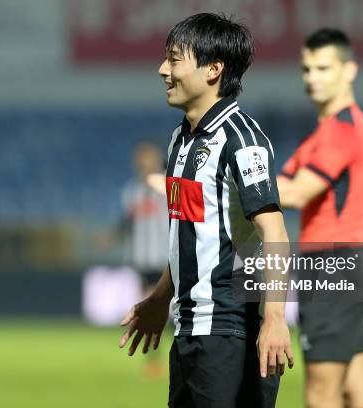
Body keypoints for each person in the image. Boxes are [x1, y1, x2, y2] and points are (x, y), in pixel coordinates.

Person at [119, 13, 294, 408]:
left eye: (175, 59)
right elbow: (188, 231)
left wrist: (276, 319)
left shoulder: (242, 141)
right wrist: (161, 297)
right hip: (188, 332)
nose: (163, 70)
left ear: (213, 69)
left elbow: (275, 234)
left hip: (230, 333)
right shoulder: (179, 140)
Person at [276, 29, 363, 408]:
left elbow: (297, 192)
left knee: (322, 393)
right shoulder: (323, 134)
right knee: (357, 388)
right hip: (352, 259)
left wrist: (215, 187)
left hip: (333, 262)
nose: (312, 77)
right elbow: (279, 183)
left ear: (349, 70)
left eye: (323, 67)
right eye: (306, 69)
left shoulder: (341, 131)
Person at [121, 142, 170, 377]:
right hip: (142, 258)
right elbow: (127, 221)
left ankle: (166, 356)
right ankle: (154, 359)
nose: (142, 161)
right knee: (149, 308)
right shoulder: (132, 190)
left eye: (147, 156)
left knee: (167, 308)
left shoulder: (168, 185)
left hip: (165, 256)